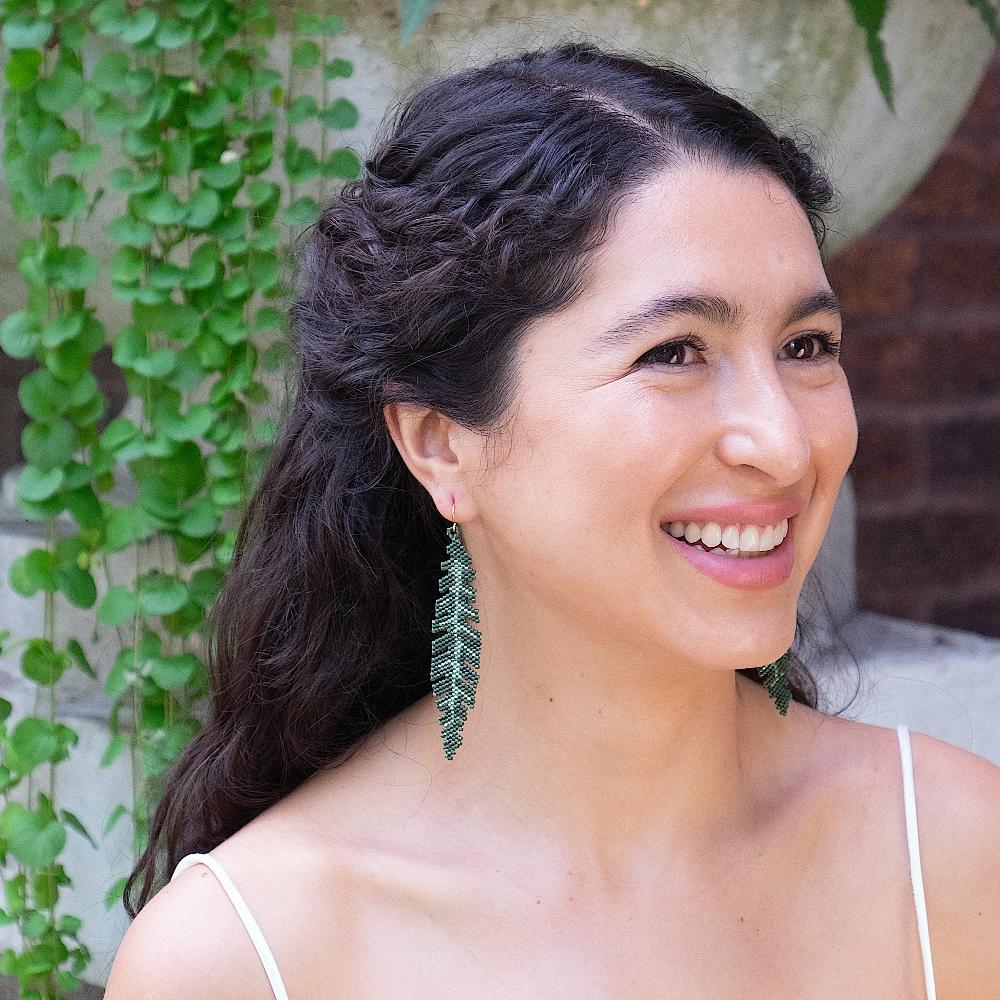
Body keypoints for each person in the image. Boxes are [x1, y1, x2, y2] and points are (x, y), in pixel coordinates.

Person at [104, 40, 999, 1000]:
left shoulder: (945, 851)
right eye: (674, 352)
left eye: (807, 345)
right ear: (441, 442)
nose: (783, 443)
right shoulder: (251, 956)